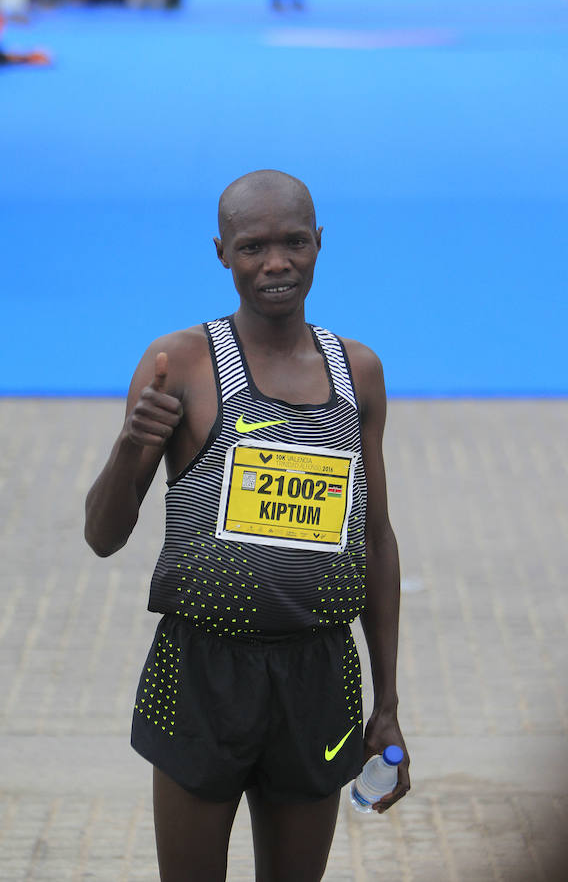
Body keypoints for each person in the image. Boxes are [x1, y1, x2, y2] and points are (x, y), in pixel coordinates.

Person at [85, 169, 410, 882]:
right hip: (204, 670)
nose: (275, 263)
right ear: (221, 252)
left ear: (320, 242)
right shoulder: (184, 366)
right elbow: (102, 536)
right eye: (252, 246)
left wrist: (386, 704)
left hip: (320, 673)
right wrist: (132, 445)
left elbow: (377, 541)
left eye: (294, 242)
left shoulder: (358, 372)